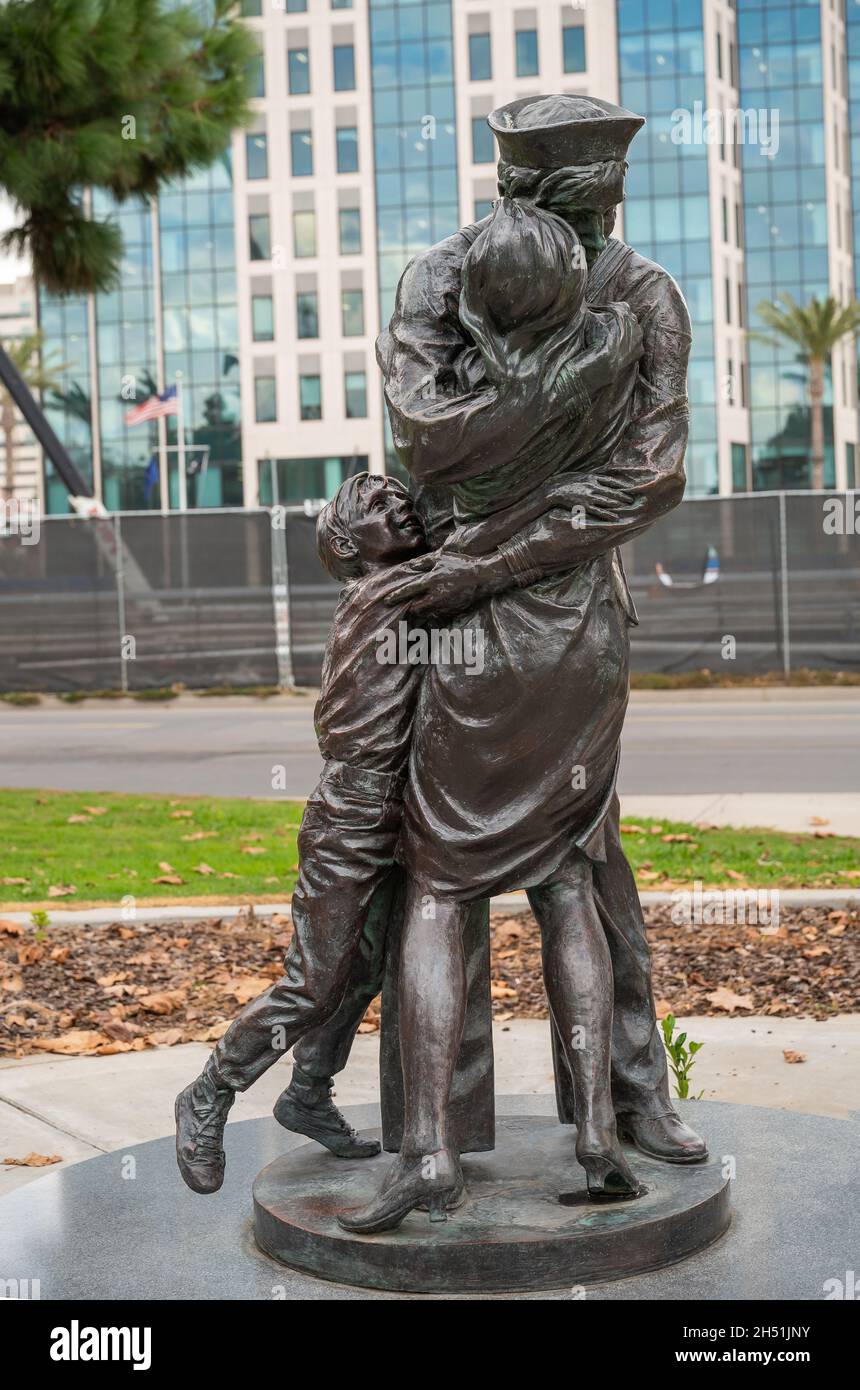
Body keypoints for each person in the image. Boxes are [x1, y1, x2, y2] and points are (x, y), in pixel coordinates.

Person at [338, 95, 706, 1236]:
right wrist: (548, 456)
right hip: (478, 614)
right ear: (523, 193)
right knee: (541, 870)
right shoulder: (438, 280)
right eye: (587, 203)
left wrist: (477, 558)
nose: (608, 224)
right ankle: (468, 1128)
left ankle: (621, 1103)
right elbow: (418, 435)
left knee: (576, 863)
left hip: (520, 603)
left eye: (612, 202)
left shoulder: (642, 290)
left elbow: (643, 482)